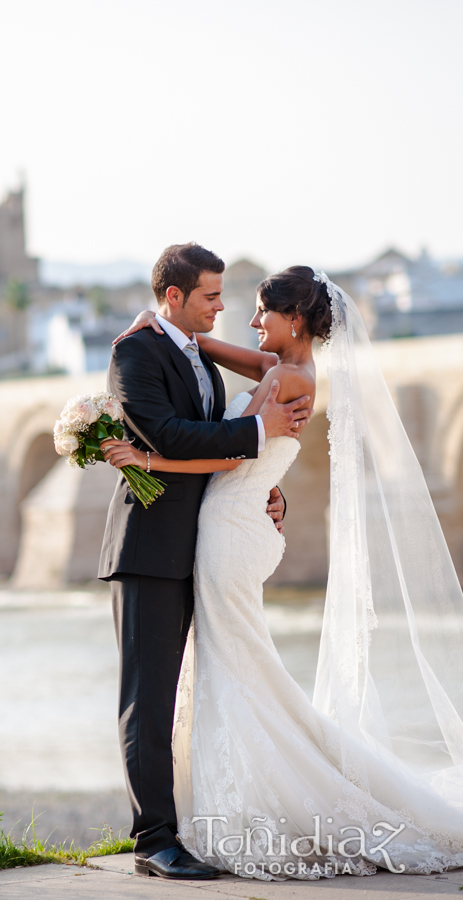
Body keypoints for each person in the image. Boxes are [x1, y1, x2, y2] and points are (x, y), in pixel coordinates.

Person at [105, 266, 463, 882]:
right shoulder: (287, 371)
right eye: (227, 303)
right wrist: (170, 332)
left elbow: (233, 448)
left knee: (242, 673)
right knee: (241, 672)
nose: (250, 322)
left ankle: (233, 815)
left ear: (296, 319)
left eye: (261, 312)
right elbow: (233, 389)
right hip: (233, 525)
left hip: (228, 536)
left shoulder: (283, 377)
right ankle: (228, 812)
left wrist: (145, 456)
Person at [98, 243, 311, 881]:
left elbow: (217, 448)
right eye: (212, 297)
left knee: (194, 696)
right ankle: (154, 842)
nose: (222, 307)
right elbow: (166, 434)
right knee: (150, 700)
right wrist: (258, 436)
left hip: (202, 548)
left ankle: (190, 824)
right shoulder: (134, 352)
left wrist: (265, 490)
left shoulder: (196, 355)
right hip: (150, 552)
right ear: (174, 297)